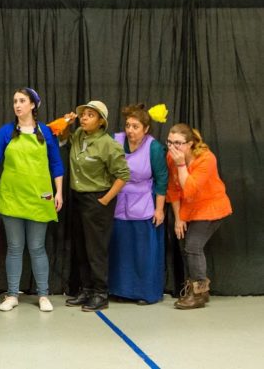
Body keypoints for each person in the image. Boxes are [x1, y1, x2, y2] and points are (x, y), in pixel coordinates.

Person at [0, 88, 64, 312]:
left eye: (22, 101)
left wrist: (59, 192)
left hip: (40, 197)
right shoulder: (6, 132)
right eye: (15, 101)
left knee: (37, 247)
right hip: (11, 197)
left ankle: (43, 295)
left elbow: (56, 164)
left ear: (33, 105)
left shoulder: (46, 132)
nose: (17, 105)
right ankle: (12, 295)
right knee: (14, 247)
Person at [61, 101, 130, 312]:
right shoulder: (80, 135)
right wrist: (66, 123)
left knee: (95, 249)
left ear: (101, 122)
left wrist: (105, 200)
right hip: (78, 198)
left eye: (90, 115)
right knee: (81, 247)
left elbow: (123, 175)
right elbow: (63, 139)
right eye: (83, 114)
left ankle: (101, 293)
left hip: (97, 199)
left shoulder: (109, 144)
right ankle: (87, 289)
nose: (84, 118)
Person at [166, 123, 232, 309]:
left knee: (193, 246)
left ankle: (199, 293)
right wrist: (178, 218)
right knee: (185, 248)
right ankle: (195, 287)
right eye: (170, 142)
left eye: (178, 143)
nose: (173, 147)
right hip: (189, 209)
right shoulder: (171, 158)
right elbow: (173, 190)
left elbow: (190, 190)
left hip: (211, 207)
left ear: (190, 143)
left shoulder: (206, 159)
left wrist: (181, 164)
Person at [108, 104, 168, 305]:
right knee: (120, 250)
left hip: (144, 204)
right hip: (119, 203)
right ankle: (119, 290)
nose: (130, 130)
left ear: (146, 129)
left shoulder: (155, 148)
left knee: (143, 252)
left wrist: (159, 209)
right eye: (128, 126)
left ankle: (144, 293)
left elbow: (161, 180)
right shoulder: (115, 141)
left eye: (135, 127)